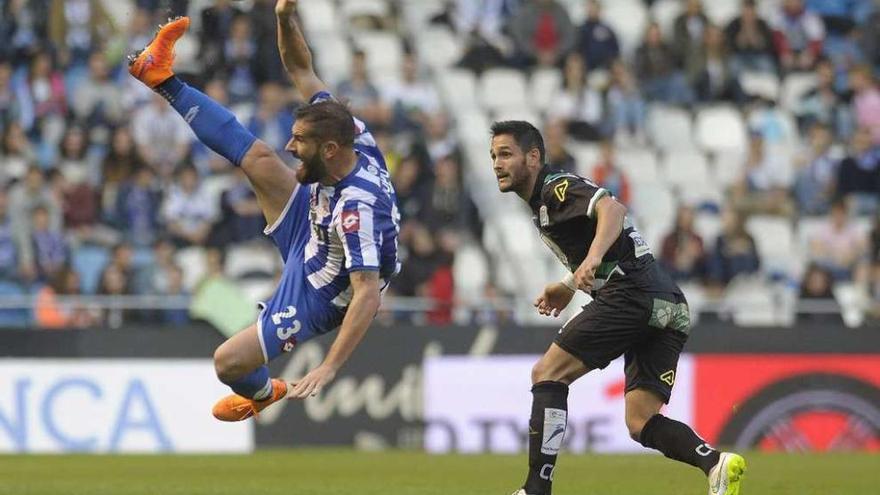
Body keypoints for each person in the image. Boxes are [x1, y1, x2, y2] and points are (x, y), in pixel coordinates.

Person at [127, 1, 400, 420]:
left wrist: (329, 366)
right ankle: (160, 76)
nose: (290, 147)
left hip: (321, 291)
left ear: (329, 151)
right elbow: (301, 70)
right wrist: (285, 18)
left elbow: (366, 294)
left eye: (300, 143)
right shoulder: (351, 133)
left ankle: (262, 391)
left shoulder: (357, 208)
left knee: (229, 363)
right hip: (314, 228)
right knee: (258, 157)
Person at [488, 121, 745, 495]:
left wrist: (588, 263)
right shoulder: (541, 207)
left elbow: (612, 208)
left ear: (533, 157)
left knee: (548, 373)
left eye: (506, 154)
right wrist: (568, 285)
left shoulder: (554, 187)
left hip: (631, 294)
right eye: (494, 156)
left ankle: (535, 489)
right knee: (640, 421)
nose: (497, 163)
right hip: (667, 303)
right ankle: (715, 463)